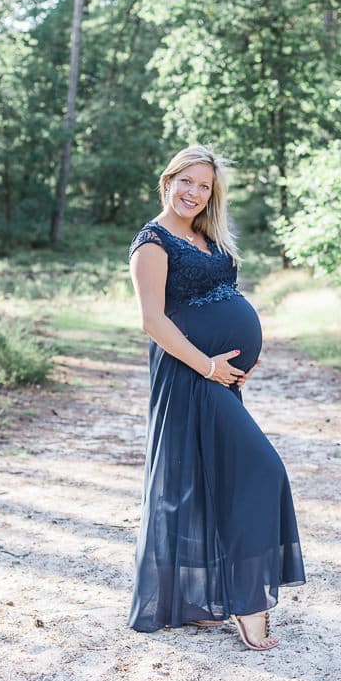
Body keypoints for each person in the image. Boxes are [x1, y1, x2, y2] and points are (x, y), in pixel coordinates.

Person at [127, 145, 305, 649]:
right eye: (187, 181)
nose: (194, 193)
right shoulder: (152, 242)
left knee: (207, 481)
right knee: (261, 469)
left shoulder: (206, 236)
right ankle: (249, 604)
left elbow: (224, 300)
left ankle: (200, 601)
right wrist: (208, 365)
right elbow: (153, 321)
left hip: (218, 376)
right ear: (168, 181)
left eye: (204, 186)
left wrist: (244, 360)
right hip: (189, 376)